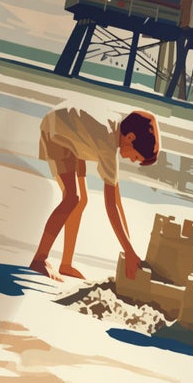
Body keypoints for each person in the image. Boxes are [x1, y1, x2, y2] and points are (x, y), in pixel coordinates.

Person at [28, 105, 160, 280]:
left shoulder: (114, 131)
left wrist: (129, 249)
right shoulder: (107, 144)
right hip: (57, 131)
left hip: (73, 134)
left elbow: (117, 200)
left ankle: (66, 264)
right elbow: (110, 205)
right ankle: (39, 259)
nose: (131, 159)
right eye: (135, 156)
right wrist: (129, 251)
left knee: (81, 200)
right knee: (71, 198)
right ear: (130, 137)